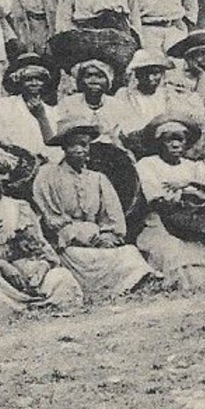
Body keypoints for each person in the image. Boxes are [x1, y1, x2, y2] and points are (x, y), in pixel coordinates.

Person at [31, 117, 157, 300]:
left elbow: (113, 218)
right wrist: (84, 235)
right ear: (64, 148)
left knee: (129, 253)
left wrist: (108, 235)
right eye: (73, 145)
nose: (79, 150)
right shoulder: (48, 177)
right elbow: (51, 220)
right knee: (78, 256)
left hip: (100, 242)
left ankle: (137, 286)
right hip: (69, 246)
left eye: (84, 144)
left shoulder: (98, 179)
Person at [0, 145, 83, 320]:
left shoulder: (20, 207)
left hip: (23, 270)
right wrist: (4, 266)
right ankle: (8, 310)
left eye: (2, 172)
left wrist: (43, 266)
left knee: (60, 276)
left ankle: (41, 304)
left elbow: (40, 245)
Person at [133, 115, 205, 290]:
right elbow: (158, 199)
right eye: (169, 140)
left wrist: (190, 183)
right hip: (162, 224)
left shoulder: (193, 166)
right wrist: (196, 194)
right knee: (176, 249)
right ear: (159, 143)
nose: (176, 144)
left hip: (198, 221)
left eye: (180, 139)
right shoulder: (148, 165)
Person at [0, 54, 61, 161]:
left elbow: (54, 145)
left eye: (38, 79)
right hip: (14, 160)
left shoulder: (52, 111)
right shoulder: (3, 106)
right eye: (28, 79)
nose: (34, 83)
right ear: (19, 81)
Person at [54, 59, 132, 145]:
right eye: (88, 76)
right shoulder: (68, 103)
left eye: (99, 77)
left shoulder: (118, 105)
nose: (94, 81)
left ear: (108, 81)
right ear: (80, 81)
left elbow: (123, 134)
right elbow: (60, 132)